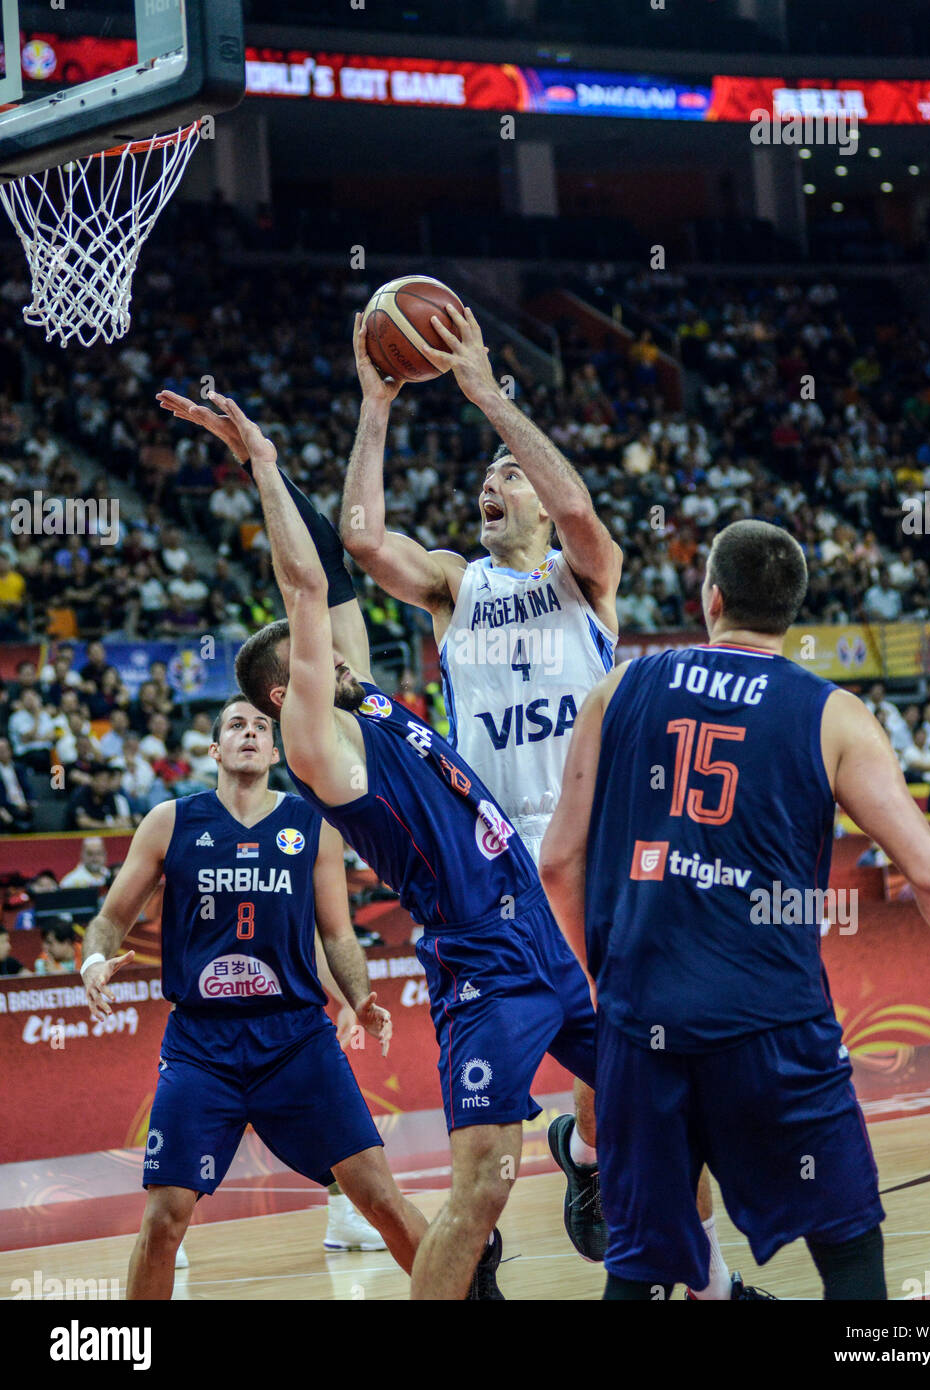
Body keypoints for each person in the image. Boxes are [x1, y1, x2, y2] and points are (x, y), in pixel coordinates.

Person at [157, 385, 599, 1301]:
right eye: (317, 654)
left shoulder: (364, 702)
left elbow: (341, 569)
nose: (342, 649)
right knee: (478, 1189)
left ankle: (650, 1242)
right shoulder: (324, 745)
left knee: (661, 1098)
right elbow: (309, 586)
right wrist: (266, 467)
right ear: (290, 692)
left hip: (541, 920)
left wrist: (330, 421)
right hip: (481, 945)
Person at [539, 519, 930, 1301]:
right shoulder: (832, 714)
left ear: (711, 596)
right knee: (848, 1247)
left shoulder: (617, 690)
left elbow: (557, 861)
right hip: (771, 1024)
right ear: (789, 612)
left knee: (639, 1263)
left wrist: (599, 982)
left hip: (641, 1018)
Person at [339, 304, 624, 1268]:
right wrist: (376, 403)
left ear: (537, 503)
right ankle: (488, 1227)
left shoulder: (583, 579)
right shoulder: (459, 586)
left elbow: (582, 513)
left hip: (589, 843)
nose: (488, 486)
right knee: (495, 1138)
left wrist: (488, 398)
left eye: (506, 477)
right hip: (494, 860)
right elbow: (366, 542)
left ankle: (585, 1153)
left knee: (632, 1044)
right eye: (483, 479)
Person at [81, 694, 431, 1300]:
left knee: (379, 1196)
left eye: (261, 727)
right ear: (215, 749)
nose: (250, 733)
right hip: (201, 1045)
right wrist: (91, 960)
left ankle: (471, 1295)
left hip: (295, 1039)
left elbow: (337, 931)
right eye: (236, 725)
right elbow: (110, 918)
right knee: (165, 1218)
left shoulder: (310, 825)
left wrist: (360, 996)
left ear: (275, 750)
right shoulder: (170, 821)